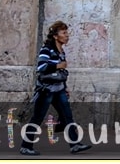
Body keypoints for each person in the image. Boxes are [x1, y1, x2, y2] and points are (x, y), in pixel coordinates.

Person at [20, 21, 92, 155]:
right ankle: (26, 146)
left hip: (59, 90)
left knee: (67, 117)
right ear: (55, 36)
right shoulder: (47, 49)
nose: (67, 36)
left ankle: (74, 145)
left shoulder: (61, 51)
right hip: (46, 91)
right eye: (63, 33)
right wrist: (59, 66)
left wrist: (64, 87)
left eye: (67, 33)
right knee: (37, 118)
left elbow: (60, 74)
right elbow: (41, 67)